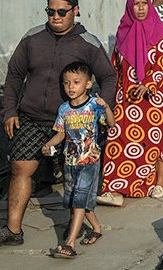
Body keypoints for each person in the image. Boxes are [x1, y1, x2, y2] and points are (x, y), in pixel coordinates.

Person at [0, 0, 116, 248]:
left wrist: (100, 108)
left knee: (73, 176)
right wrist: (9, 111)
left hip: (72, 122)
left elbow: (108, 77)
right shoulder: (32, 38)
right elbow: (14, 76)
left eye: (62, 12)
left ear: (75, 11)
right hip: (31, 118)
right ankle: (13, 230)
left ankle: (75, 227)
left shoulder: (88, 43)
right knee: (20, 168)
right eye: (50, 11)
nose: (55, 16)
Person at [98, 0, 163, 205]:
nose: (141, 8)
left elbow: (162, 64)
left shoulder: (160, 32)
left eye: (144, 3)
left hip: (154, 98)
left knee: (156, 140)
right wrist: (112, 97)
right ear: (129, 6)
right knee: (119, 140)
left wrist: (148, 84)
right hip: (127, 98)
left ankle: (159, 182)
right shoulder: (122, 33)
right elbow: (116, 68)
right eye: (136, 4)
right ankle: (116, 190)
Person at [41, 62, 116, 258]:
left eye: (76, 82)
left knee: (79, 201)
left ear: (88, 84)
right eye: (66, 83)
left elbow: (111, 123)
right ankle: (96, 229)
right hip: (70, 162)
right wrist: (48, 144)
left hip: (89, 161)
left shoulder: (94, 105)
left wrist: (106, 107)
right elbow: (60, 134)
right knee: (75, 199)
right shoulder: (64, 109)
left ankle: (70, 244)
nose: (71, 87)